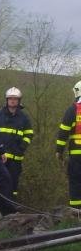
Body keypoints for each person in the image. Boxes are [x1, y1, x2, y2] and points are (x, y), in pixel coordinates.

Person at [0, 87, 34, 198]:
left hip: (16, 158)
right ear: (6, 100)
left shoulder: (24, 118)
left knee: (13, 183)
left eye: (15, 99)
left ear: (19, 101)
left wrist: (22, 147)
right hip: (0, 157)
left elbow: (29, 134)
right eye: (10, 98)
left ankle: (11, 208)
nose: (12, 101)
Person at [56, 80, 81, 209]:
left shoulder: (73, 110)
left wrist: (59, 151)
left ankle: (77, 215)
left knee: (76, 184)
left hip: (77, 156)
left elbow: (63, 132)